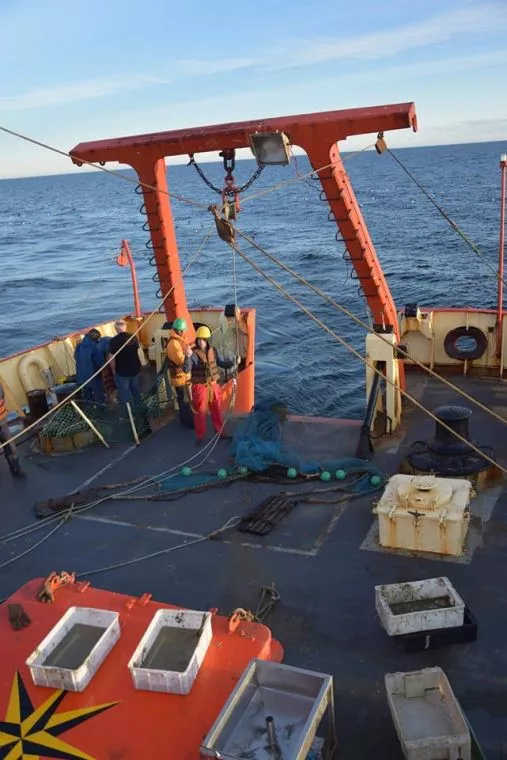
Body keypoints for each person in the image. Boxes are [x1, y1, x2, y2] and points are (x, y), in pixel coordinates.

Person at [189, 325, 234, 444]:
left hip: (213, 385)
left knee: (217, 409)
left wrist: (232, 363)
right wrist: (186, 358)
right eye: (199, 339)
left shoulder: (213, 350)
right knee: (200, 412)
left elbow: (220, 363)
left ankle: (220, 432)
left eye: (203, 339)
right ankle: (200, 436)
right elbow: (186, 368)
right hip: (200, 386)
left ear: (207, 340)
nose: (200, 342)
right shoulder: (193, 354)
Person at [166, 317, 193, 428]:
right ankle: (187, 422)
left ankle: (185, 419)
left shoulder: (179, 340)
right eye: (181, 330)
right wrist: (188, 355)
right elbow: (180, 360)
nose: (183, 332)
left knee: (184, 398)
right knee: (183, 399)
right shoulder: (173, 344)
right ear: (177, 330)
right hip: (179, 376)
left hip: (183, 375)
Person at [108, 319, 142, 405]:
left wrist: (114, 371)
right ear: (125, 327)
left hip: (122, 372)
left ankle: (130, 415)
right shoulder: (134, 337)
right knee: (136, 391)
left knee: (125, 395)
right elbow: (138, 352)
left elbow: (111, 359)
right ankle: (140, 410)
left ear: (116, 329)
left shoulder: (113, 341)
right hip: (135, 369)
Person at [74, 329, 105, 402]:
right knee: (99, 397)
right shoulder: (94, 347)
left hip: (82, 377)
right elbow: (101, 363)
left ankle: (89, 412)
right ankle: (101, 411)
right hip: (93, 376)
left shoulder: (79, 346)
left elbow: (75, 357)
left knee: (87, 398)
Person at [0, 383, 23, 477]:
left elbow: (2, 397)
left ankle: (15, 468)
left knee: (11, 447)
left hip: (2, 423)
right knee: (10, 447)